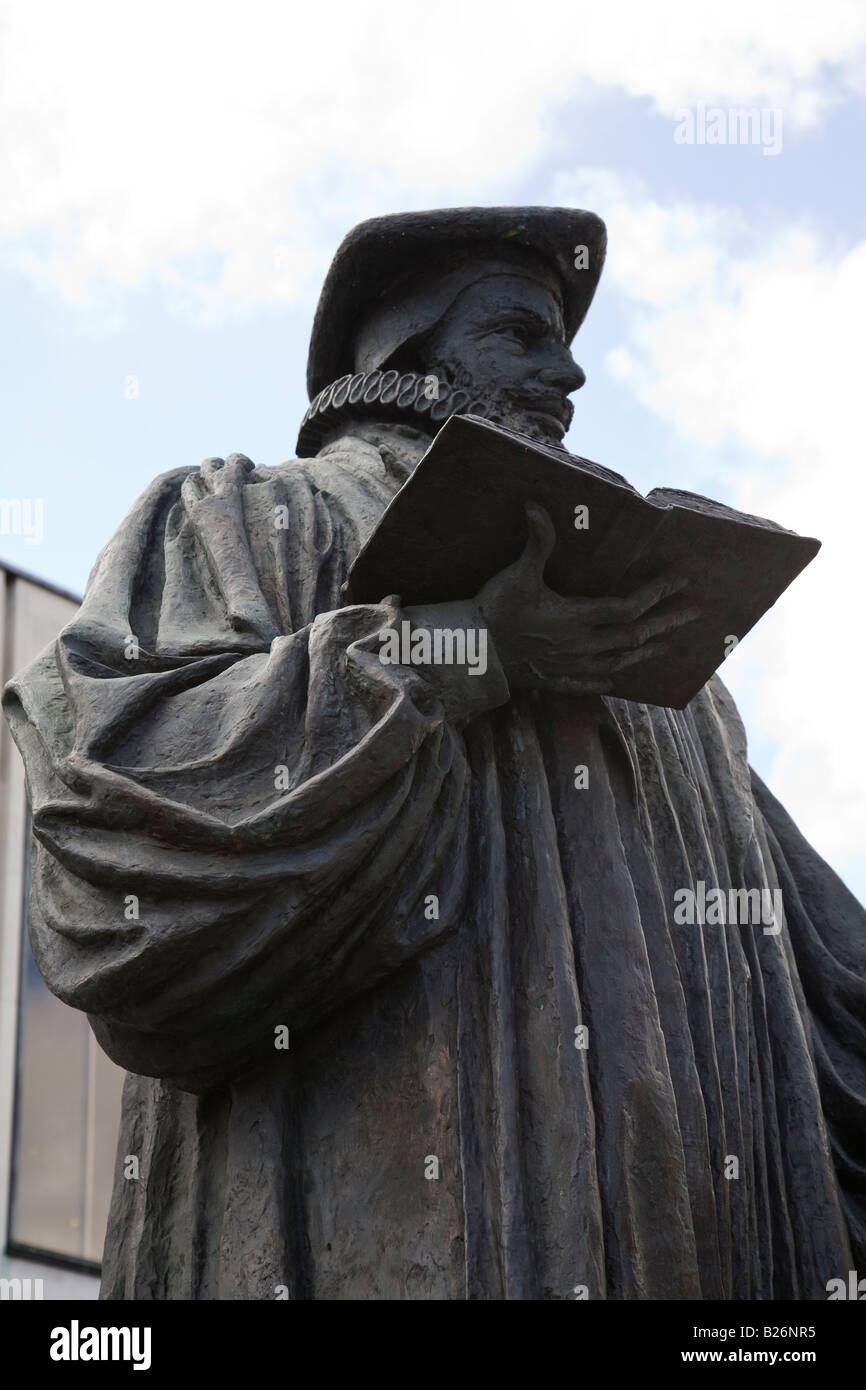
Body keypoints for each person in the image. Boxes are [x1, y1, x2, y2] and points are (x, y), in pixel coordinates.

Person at [4, 207, 864, 1300]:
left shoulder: (666, 664)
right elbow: (117, 814)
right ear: (402, 352)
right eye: (519, 333)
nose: (569, 372)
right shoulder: (251, 517)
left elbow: (823, 978)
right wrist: (464, 648)